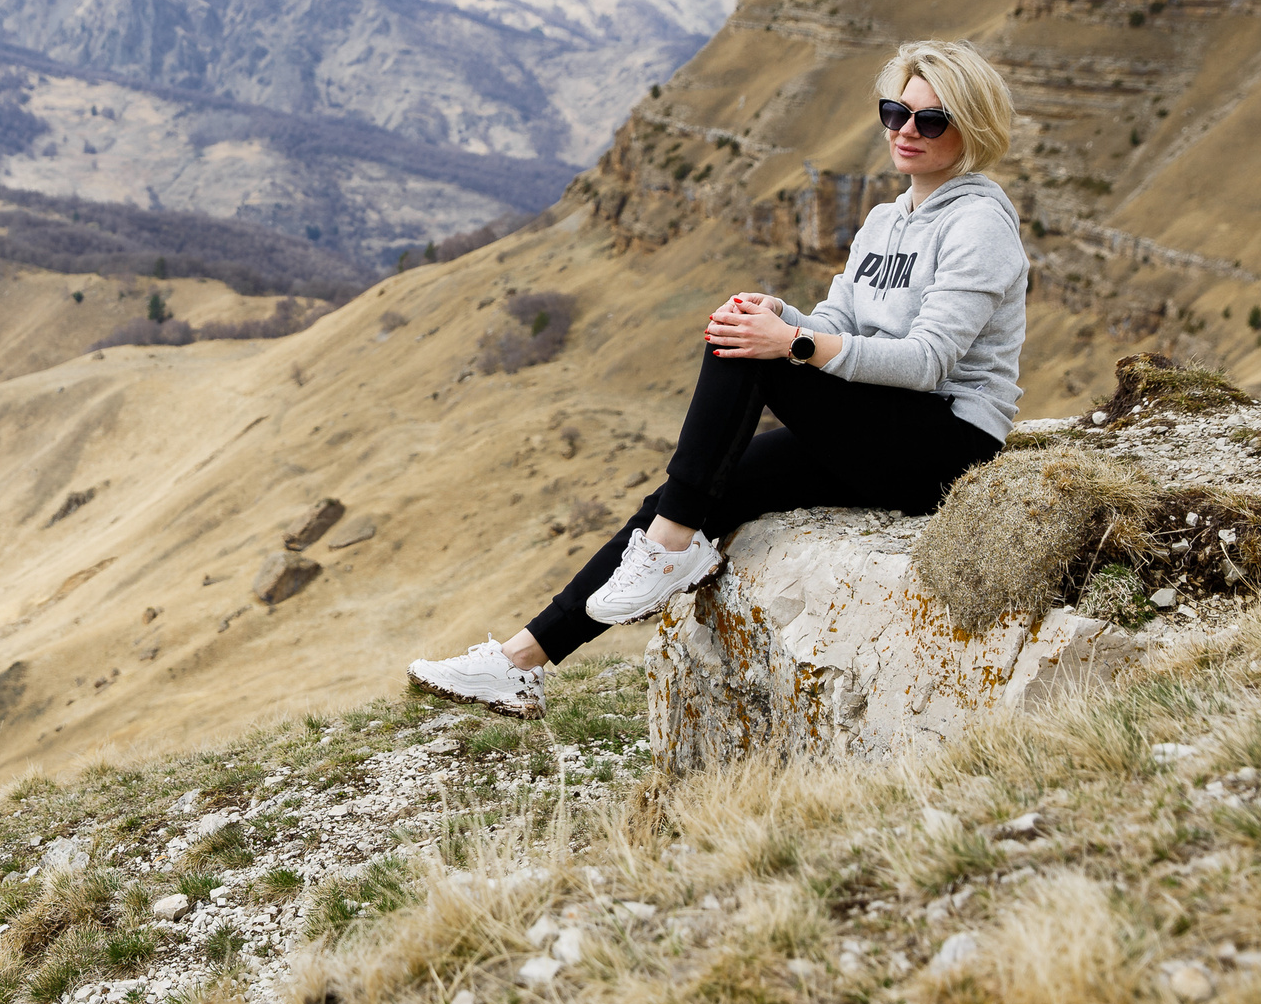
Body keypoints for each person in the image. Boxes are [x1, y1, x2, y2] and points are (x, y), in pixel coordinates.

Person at [408, 39, 1029, 718]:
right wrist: (779, 315)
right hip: (874, 429)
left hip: (944, 445)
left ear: (972, 128)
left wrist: (788, 342)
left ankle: (671, 547)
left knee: (743, 365)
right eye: (894, 112)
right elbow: (836, 320)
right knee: (694, 484)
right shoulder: (886, 218)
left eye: (930, 120)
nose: (905, 131)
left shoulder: (979, 223)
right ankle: (520, 660)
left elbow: (927, 360)